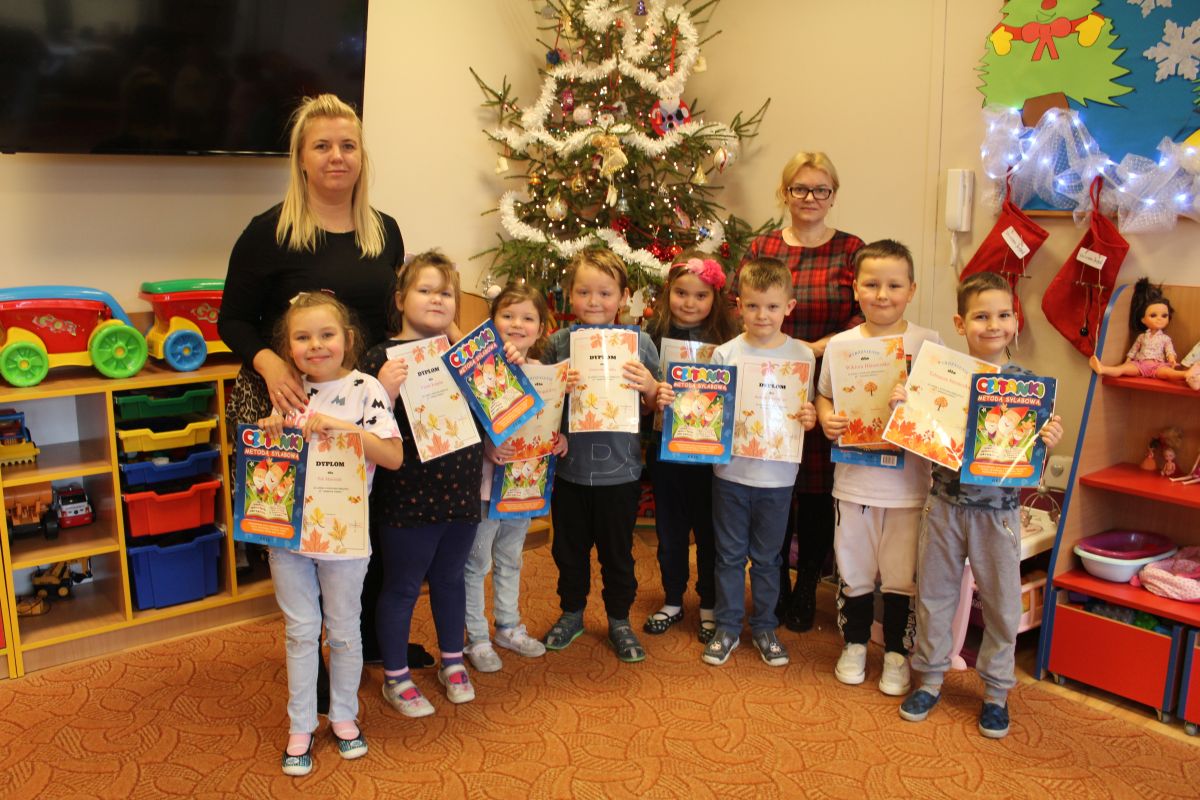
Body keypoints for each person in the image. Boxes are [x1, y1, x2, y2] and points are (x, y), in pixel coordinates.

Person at [217, 93, 434, 672]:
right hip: (290, 406)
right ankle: (314, 659)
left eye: (347, 145)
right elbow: (231, 320)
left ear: (362, 156)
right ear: (302, 159)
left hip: (364, 403)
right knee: (304, 538)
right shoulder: (269, 232)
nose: (337, 156)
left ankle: (367, 642)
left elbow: (393, 316)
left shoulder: (383, 231)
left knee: (365, 525)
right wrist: (269, 362)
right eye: (322, 146)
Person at [899, 271, 1063, 739]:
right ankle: (930, 679)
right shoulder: (942, 375)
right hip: (944, 504)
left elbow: (1032, 450)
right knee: (934, 596)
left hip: (999, 512)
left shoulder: (1026, 385)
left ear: (1016, 320)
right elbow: (920, 434)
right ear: (960, 323)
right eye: (981, 316)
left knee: (1003, 605)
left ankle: (995, 692)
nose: (994, 325)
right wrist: (905, 406)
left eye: (1004, 315)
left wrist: (1049, 437)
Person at [260, 293, 404, 777]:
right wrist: (271, 434)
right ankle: (300, 725)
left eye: (327, 335)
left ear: (348, 338)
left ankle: (343, 716)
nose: (316, 345)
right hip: (289, 536)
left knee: (343, 630)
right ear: (289, 347)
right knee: (301, 632)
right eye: (302, 337)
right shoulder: (288, 392)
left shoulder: (365, 389)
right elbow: (273, 465)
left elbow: (392, 456)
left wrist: (342, 428)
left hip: (345, 535)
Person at [741, 151, 865, 633]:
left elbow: (862, 318)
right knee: (774, 484)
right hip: (770, 381)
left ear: (833, 195)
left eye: (821, 189)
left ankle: (808, 581)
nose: (810, 198)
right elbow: (746, 305)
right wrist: (787, 352)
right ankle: (774, 581)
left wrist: (811, 350)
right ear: (785, 192)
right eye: (800, 188)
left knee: (817, 491)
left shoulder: (851, 249)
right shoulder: (763, 247)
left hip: (829, 378)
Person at [814, 240, 942, 696]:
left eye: (894, 285)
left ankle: (895, 653)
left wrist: (916, 403)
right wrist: (827, 417)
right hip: (854, 481)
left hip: (909, 486)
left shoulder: (929, 342)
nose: (882, 295)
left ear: (912, 289)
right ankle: (853, 644)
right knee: (855, 568)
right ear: (855, 288)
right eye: (871, 284)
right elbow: (824, 394)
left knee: (901, 574)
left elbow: (941, 410)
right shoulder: (841, 345)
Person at [363, 250, 484, 717]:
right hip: (407, 496)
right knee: (402, 586)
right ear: (400, 299)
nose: (436, 299)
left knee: (451, 579)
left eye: (446, 293)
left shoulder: (462, 354)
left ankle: (453, 661)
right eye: (425, 290)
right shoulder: (380, 357)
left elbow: (492, 405)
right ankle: (396, 676)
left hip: (461, 487)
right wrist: (384, 390)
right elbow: (364, 430)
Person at [539, 248, 662, 663]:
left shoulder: (640, 343)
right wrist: (557, 387)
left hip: (620, 471)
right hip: (569, 471)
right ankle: (571, 612)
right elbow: (541, 404)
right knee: (568, 550)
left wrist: (649, 386)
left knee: (617, 553)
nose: (594, 301)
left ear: (623, 297)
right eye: (584, 292)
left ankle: (619, 619)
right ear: (569, 294)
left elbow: (654, 407)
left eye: (605, 293)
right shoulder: (559, 343)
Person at [698, 257, 817, 667]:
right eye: (752, 305)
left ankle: (765, 626)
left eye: (771, 306)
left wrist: (810, 416)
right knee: (729, 556)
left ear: (789, 307)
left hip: (778, 478)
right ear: (739, 306)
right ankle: (728, 627)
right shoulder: (726, 353)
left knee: (768, 559)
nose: (762, 315)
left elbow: (805, 408)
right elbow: (710, 411)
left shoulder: (802, 356)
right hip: (730, 473)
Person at [464, 284, 567, 673]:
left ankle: (508, 625)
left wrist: (560, 440)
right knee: (477, 562)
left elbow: (549, 420)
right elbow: (464, 422)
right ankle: (476, 636)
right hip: (486, 484)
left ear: (541, 328)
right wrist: (486, 445)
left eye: (527, 318)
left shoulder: (545, 375)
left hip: (524, 484)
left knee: (510, 557)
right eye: (507, 316)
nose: (517, 324)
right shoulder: (482, 369)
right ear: (492, 322)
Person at [643, 252, 739, 643]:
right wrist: (653, 394)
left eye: (701, 295)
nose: (689, 303)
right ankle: (672, 599)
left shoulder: (729, 341)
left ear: (715, 298)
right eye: (681, 293)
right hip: (666, 450)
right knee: (670, 529)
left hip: (712, 457)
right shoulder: (651, 336)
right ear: (668, 293)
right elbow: (641, 391)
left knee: (710, 530)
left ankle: (709, 604)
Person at [1089, 278, 1190, 386]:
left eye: (1164, 316)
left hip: (1158, 366)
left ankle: (1186, 374)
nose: (1159, 319)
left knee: (1169, 373)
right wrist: (1128, 360)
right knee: (1122, 369)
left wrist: (1172, 360)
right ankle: (1103, 369)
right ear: (1143, 320)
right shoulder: (1142, 337)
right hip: (1139, 365)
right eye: (1153, 315)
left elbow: (1169, 351)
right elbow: (1134, 349)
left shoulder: (1165, 338)